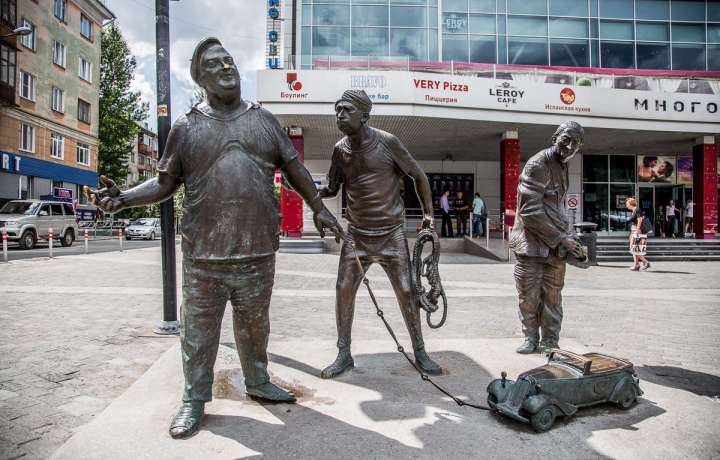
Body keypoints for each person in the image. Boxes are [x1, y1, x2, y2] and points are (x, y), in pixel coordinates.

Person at [84, 38, 343, 440]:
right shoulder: (186, 127)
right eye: (214, 64)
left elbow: (295, 170)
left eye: (229, 60)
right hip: (204, 253)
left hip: (257, 248)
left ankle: (258, 380)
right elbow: (165, 182)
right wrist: (125, 198)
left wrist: (319, 208)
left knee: (255, 324)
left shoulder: (264, 120)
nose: (226, 67)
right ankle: (193, 398)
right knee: (199, 331)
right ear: (201, 80)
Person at [317, 89, 442, 379]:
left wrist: (428, 215)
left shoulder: (387, 142)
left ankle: (420, 351)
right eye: (337, 110)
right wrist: (305, 189)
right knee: (343, 289)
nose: (340, 115)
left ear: (364, 116)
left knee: (407, 291)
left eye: (346, 110)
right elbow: (332, 188)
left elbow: (418, 176)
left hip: (391, 234)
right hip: (356, 236)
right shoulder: (339, 150)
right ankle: (343, 353)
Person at [509, 121, 586, 355]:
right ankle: (530, 338)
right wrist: (561, 237)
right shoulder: (538, 164)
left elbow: (554, 207)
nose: (569, 146)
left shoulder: (563, 165)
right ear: (555, 139)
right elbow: (529, 211)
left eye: (575, 143)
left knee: (553, 297)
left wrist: (568, 236)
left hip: (555, 248)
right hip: (531, 245)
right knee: (529, 297)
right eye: (566, 140)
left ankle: (550, 341)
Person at [626, 198, 650, 271]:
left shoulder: (637, 210)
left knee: (633, 248)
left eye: (627, 204)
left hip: (637, 230)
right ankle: (636, 265)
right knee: (635, 248)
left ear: (631, 203)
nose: (626, 205)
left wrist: (637, 231)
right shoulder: (634, 211)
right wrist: (631, 234)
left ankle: (645, 261)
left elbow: (640, 220)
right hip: (634, 230)